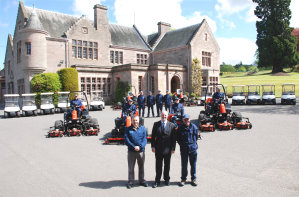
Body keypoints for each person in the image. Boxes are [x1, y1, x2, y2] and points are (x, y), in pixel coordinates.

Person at [151, 110, 177, 188]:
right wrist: (153, 146)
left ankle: (166, 179)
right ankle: (157, 180)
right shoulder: (156, 124)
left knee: (167, 165)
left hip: (168, 149)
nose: (164, 117)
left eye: (165, 115)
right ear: (160, 116)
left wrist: (173, 148)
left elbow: (174, 138)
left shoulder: (172, 125)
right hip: (158, 149)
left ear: (167, 116)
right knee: (158, 165)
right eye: (162, 115)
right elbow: (152, 137)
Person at [124, 115, 148, 189]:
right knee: (131, 167)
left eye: (136, 120)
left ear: (139, 121)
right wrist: (134, 147)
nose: (135, 122)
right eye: (134, 120)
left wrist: (140, 147)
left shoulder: (143, 129)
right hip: (131, 152)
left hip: (141, 151)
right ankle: (131, 181)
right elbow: (127, 140)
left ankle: (141, 180)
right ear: (131, 121)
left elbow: (145, 140)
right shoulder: (127, 129)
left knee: (141, 166)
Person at [176, 114, 199, 187]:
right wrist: (183, 145)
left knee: (193, 165)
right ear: (183, 120)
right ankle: (183, 179)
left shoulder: (194, 127)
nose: (187, 121)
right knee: (184, 165)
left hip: (193, 149)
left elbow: (196, 137)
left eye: (188, 119)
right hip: (184, 149)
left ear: (190, 119)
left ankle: (193, 179)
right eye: (185, 119)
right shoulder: (180, 128)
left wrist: (192, 144)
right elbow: (178, 139)